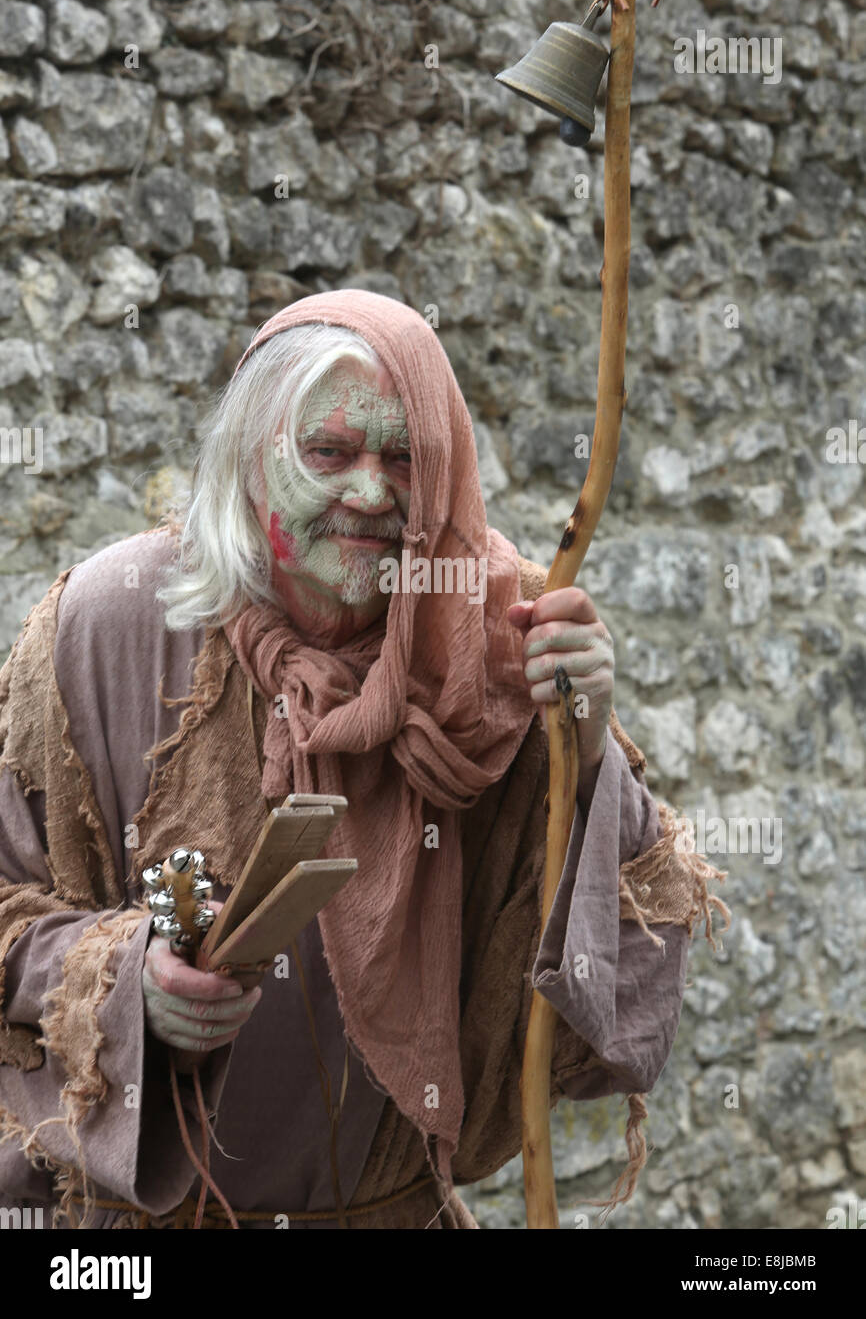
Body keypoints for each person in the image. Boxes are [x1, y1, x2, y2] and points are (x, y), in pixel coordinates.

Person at [0, 289, 728, 1229]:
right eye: (330, 452)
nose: (372, 493)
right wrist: (124, 982)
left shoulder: (494, 644)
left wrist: (585, 749)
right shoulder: (109, 624)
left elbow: (619, 974)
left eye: (404, 458)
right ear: (252, 459)